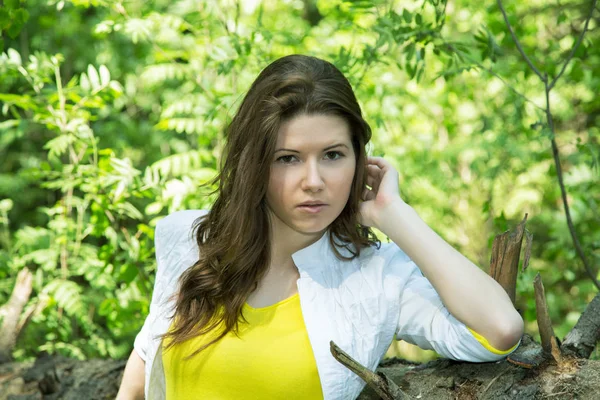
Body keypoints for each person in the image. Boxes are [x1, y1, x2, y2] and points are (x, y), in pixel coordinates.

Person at [116, 54, 523, 400]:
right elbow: (144, 363)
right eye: (288, 158)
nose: (313, 180)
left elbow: (499, 330)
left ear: (360, 160)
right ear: (253, 163)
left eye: (332, 155)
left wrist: (395, 215)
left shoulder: (375, 278)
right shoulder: (188, 239)